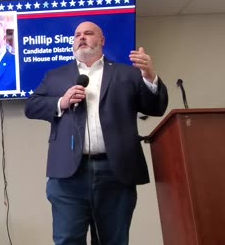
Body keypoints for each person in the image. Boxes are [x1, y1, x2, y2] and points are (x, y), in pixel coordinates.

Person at [24, 21, 168, 245]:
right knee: (67, 240)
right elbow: (31, 107)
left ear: (102, 41)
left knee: (113, 240)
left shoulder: (127, 74)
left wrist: (149, 76)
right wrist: (61, 101)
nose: (81, 37)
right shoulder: (56, 76)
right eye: (77, 35)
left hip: (115, 171)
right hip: (68, 175)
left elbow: (155, 107)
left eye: (89, 33)